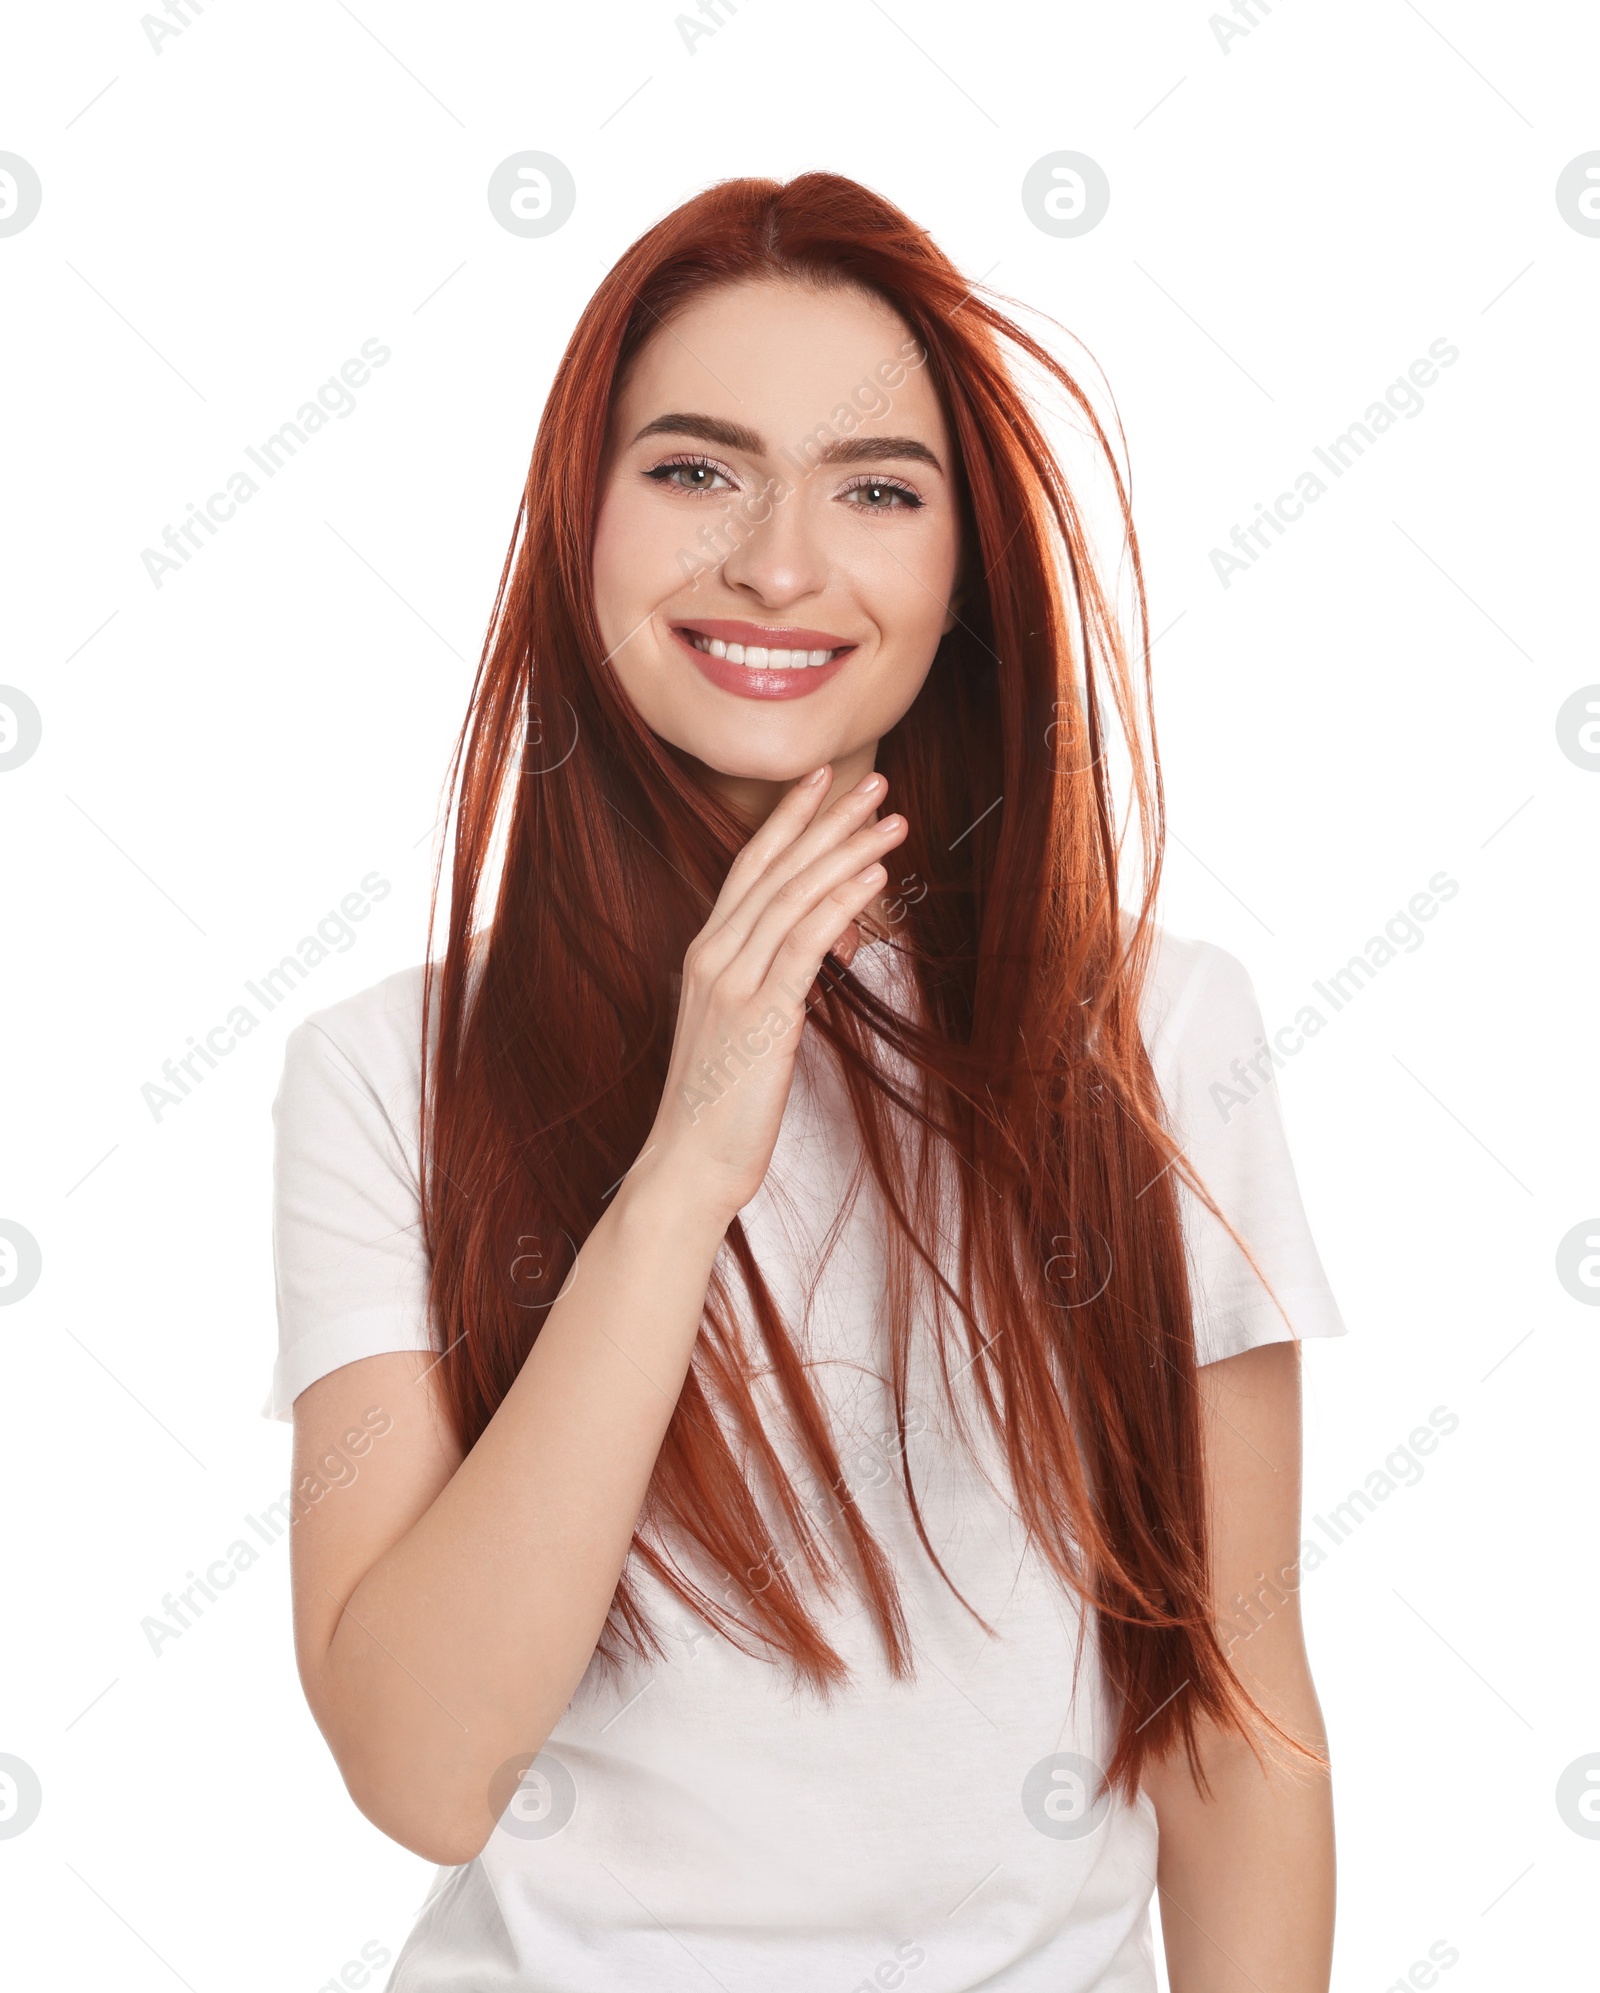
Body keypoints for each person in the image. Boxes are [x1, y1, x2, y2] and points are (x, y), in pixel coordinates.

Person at [266, 171, 1347, 1991]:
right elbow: (421, 1768)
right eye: (695, 470)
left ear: (962, 569)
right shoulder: (387, 1073)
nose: (778, 561)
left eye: (875, 491)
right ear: (578, 521)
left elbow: (1231, 1717)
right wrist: (686, 1165)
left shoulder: (1159, 1034)